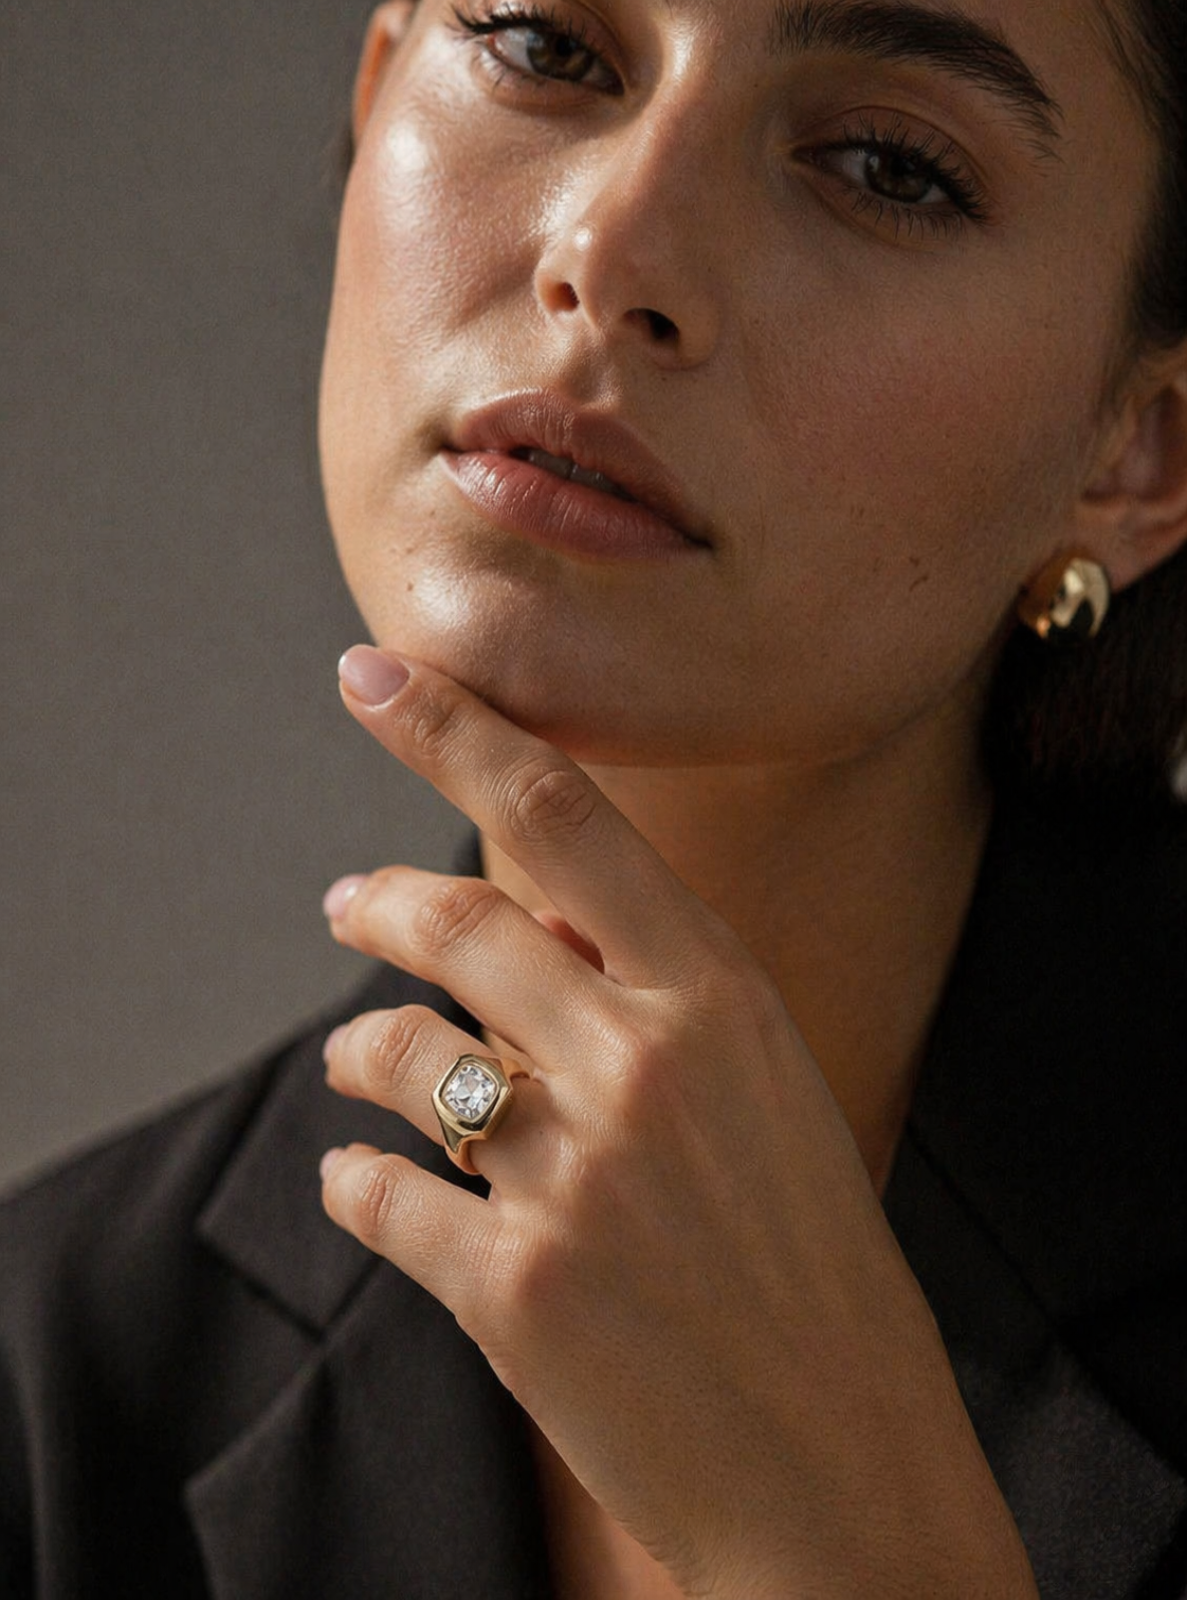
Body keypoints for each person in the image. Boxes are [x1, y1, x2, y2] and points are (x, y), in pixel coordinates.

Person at [3, 0, 1186, 1594]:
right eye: (544, 46)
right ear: (376, 89)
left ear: (1139, 450)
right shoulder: (55, 1377)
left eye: (886, 167)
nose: (612, 251)